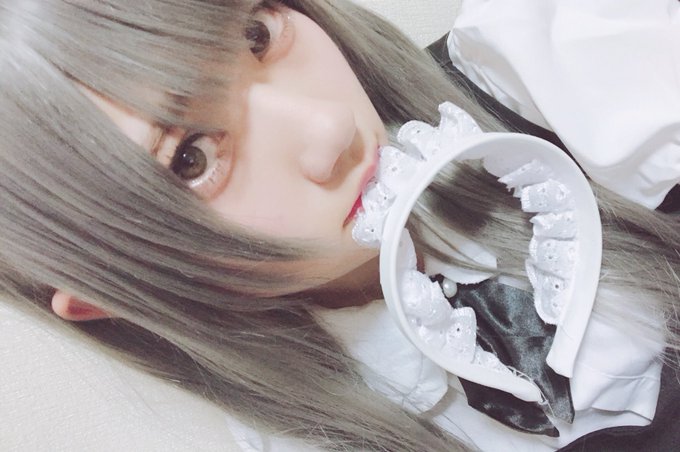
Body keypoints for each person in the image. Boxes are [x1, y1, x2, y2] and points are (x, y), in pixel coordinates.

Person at [0, 0, 677, 450]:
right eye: (191, 158)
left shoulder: (546, 59)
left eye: (257, 35)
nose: (330, 129)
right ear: (109, 293)